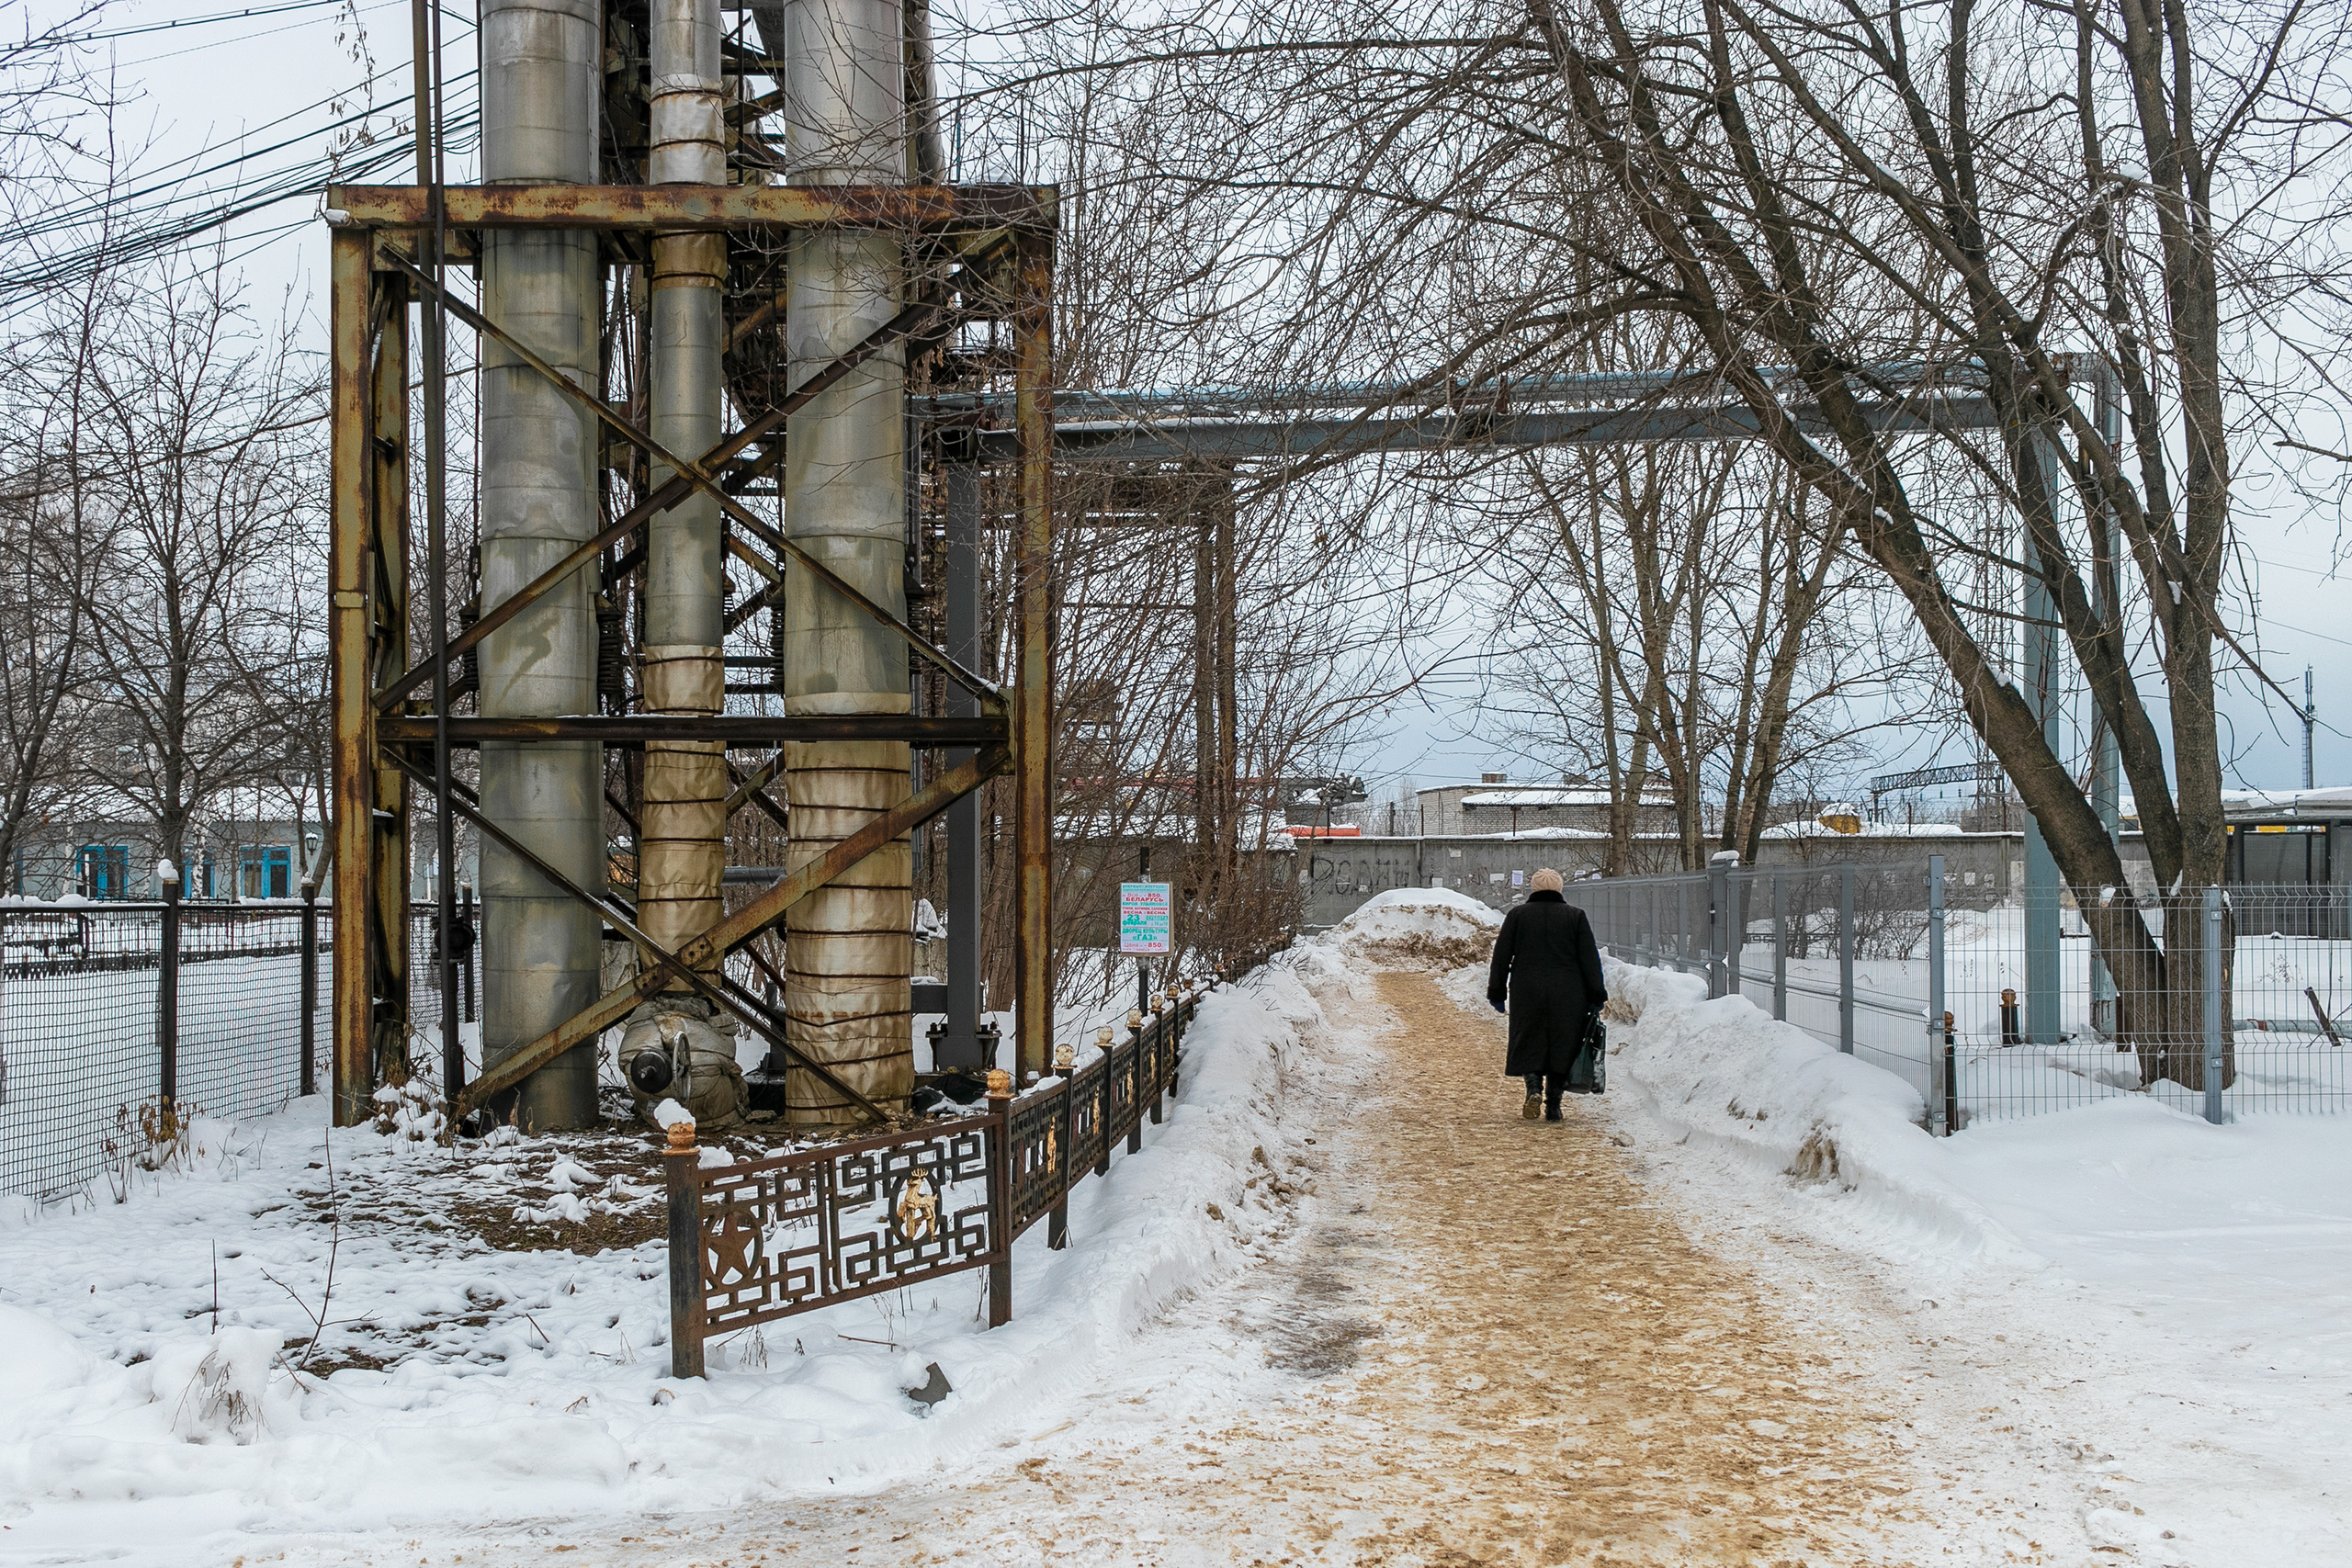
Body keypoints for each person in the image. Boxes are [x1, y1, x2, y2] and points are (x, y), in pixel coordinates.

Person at [1487, 867, 1607, 1122]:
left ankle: (1533, 1088)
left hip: (1527, 988)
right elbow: (1589, 959)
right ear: (1559, 889)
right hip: (1569, 990)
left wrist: (1497, 991)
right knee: (1563, 1043)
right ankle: (1554, 1104)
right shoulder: (1575, 916)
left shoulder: (1517, 915)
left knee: (1530, 1037)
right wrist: (1597, 994)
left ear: (1534, 888)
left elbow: (1501, 956)